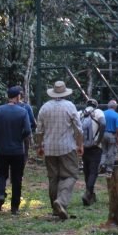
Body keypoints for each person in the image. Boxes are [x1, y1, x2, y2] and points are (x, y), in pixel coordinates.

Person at [34, 80, 83, 220]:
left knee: (53, 178)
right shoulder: (70, 106)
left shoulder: (44, 107)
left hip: (49, 148)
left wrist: (39, 146)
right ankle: (61, 202)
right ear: (64, 92)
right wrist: (80, 145)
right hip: (67, 147)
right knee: (71, 175)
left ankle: (55, 210)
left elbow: (39, 130)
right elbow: (78, 129)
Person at [0, 85, 35, 214]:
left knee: (1, 174)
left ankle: (1, 195)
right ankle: (15, 207)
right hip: (17, 151)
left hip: (2, 150)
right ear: (18, 96)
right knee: (17, 177)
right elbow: (27, 130)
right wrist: (19, 139)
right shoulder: (23, 111)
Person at [78, 98, 105, 206]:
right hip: (95, 147)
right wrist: (98, 140)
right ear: (96, 105)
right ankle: (88, 192)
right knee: (93, 171)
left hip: (84, 146)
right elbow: (103, 124)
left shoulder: (80, 113)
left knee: (87, 170)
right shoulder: (98, 112)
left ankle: (90, 193)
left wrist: (79, 142)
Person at [101, 99, 118, 173]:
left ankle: (102, 164)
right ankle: (109, 169)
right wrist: (117, 136)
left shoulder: (103, 113)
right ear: (115, 107)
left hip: (103, 134)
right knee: (111, 152)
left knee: (103, 151)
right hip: (112, 135)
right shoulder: (116, 115)